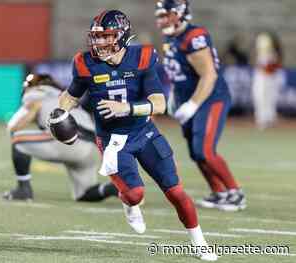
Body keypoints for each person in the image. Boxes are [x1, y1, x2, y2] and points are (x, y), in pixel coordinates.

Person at [50, 9, 217, 261]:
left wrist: (126, 108)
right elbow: (71, 94)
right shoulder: (86, 64)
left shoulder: (143, 57)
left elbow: (159, 104)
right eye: (97, 37)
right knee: (135, 194)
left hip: (144, 132)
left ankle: (199, 242)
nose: (100, 42)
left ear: (122, 36)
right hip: (113, 141)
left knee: (175, 192)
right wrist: (60, 112)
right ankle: (129, 204)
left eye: (107, 36)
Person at [155, 0, 246, 211]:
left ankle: (235, 192)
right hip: (188, 98)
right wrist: (174, 98)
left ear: (180, 13)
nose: (162, 20)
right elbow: (177, 74)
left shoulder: (194, 37)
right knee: (196, 153)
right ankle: (219, 192)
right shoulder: (170, 37)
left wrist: (192, 105)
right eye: (160, 15)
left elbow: (209, 75)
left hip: (211, 97)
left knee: (205, 150)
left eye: (166, 15)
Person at [0, 73, 118, 202]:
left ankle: (23, 190)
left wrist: (13, 127)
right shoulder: (66, 96)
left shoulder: (36, 94)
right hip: (93, 148)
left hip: (70, 141)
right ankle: (111, 188)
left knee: (18, 140)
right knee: (84, 193)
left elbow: (21, 121)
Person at [252, 31, 285, 130]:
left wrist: (267, 66)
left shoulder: (274, 53)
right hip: (260, 77)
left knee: (270, 98)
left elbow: (274, 66)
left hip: (270, 78)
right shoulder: (260, 53)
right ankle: (261, 120)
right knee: (259, 97)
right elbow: (257, 64)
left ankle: (270, 119)